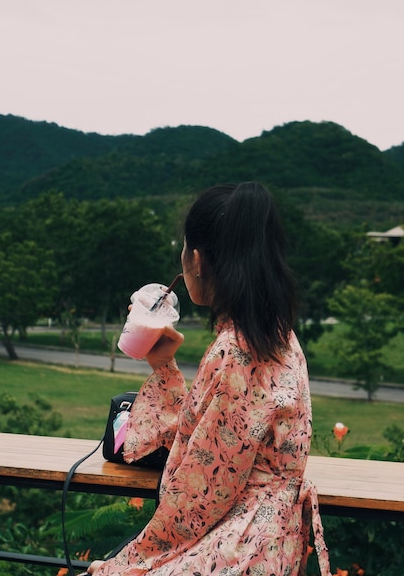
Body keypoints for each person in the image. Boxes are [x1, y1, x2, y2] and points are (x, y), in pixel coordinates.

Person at [88, 182, 331, 576]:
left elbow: (201, 492)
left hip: (236, 547)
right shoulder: (278, 336)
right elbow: (215, 441)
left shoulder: (235, 350)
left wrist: (131, 560)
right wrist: (164, 367)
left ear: (196, 259)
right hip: (271, 543)